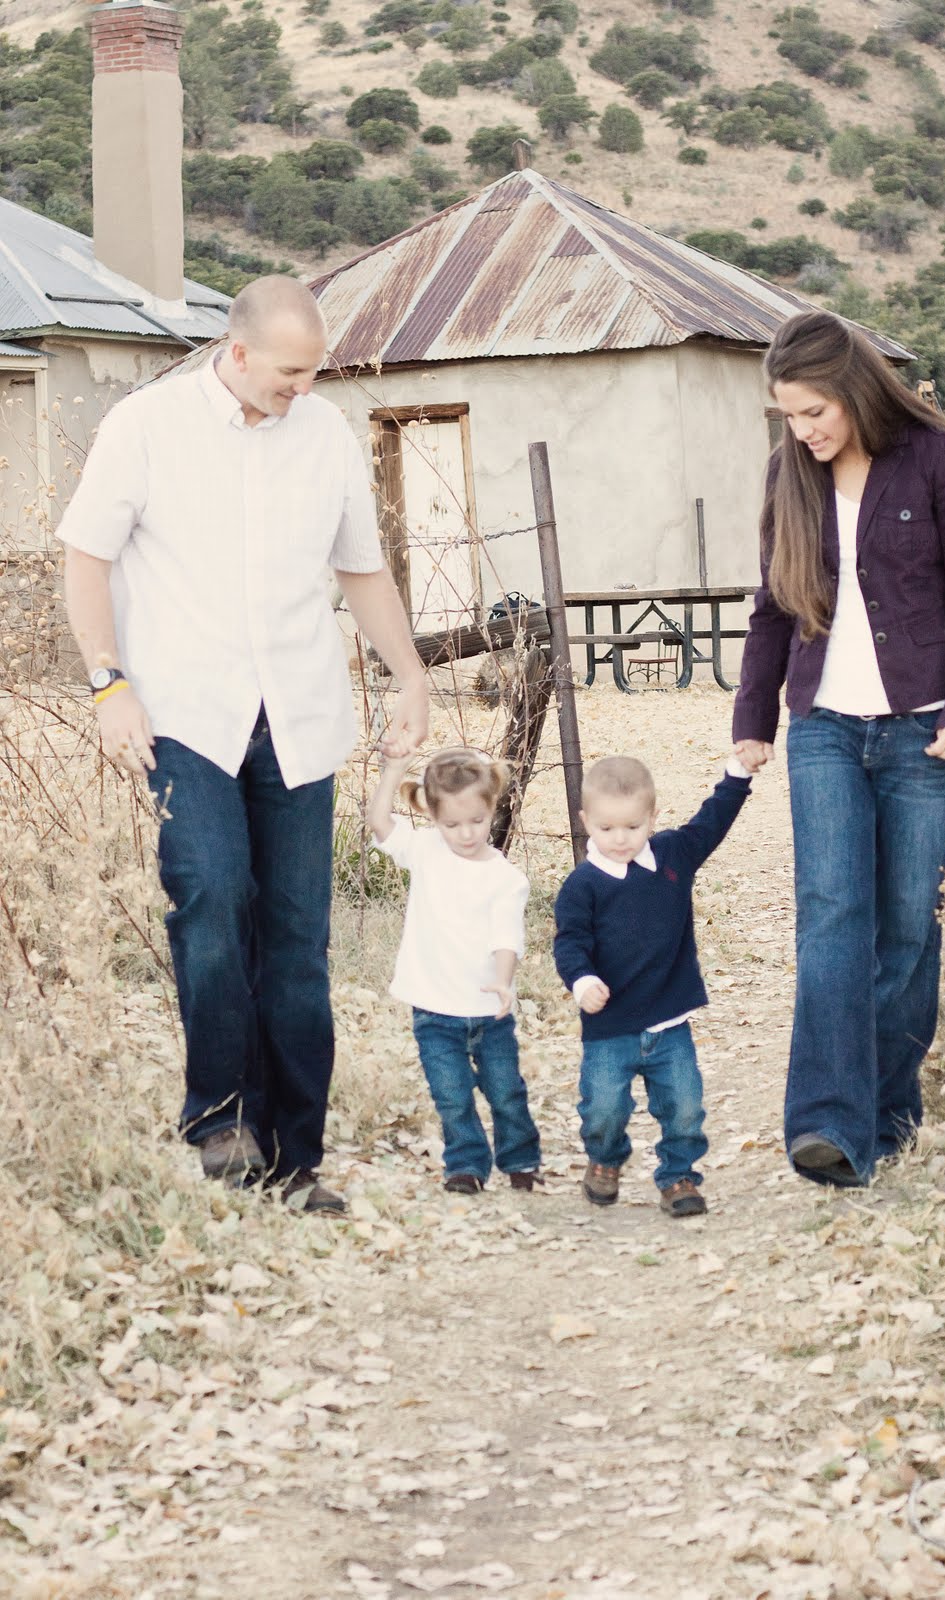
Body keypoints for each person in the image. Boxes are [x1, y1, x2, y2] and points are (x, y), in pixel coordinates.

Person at [61, 276, 429, 1215]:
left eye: (313, 373)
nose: (303, 390)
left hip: (298, 717)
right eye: (288, 373)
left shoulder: (326, 434)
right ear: (237, 353)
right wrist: (108, 683)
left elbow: (361, 569)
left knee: (299, 943)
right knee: (213, 896)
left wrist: (411, 675)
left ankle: (295, 1160)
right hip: (183, 715)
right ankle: (221, 1118)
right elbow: (86, 558)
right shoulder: (146, 426)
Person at [732, 309, 945, 1189]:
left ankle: (884, 1118)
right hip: (823, 727)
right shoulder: (789, 473)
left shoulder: (936, 457)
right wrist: (751, 719)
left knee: (905, 928)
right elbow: (772, 607)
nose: (801, 431)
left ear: (851, 388)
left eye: (813, 412)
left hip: (924, 730)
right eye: (787, 416)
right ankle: (826, 1125)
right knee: (831, 917)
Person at [553, 754, 753, 1218]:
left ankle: (679, 1176)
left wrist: (738, 775)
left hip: (669, 1019)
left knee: (685, 1107)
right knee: (604, 1109)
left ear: (652, 817)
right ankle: (605, 1159)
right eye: (606, 828)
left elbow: (711, 823)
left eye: (632, 826)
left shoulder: (672, 856)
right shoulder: (582, 886)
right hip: (610, 1026)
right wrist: (582, 981)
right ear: (585, 821)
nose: (620, 838)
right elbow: (570, 943)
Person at [368, 748, 542, 1195]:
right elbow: (380, 823)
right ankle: (465, 1165)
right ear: (432, 816)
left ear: (492, 808)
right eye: (452, 824)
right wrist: (393, 769)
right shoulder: (425, 851)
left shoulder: (505, 878)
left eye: (477, 821)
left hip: (489, 1012)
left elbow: (507, 937)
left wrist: (502, 980)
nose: (466, 833)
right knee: (451, 1095)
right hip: (433, 1009)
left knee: (505, 1091)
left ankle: (520, 1159)